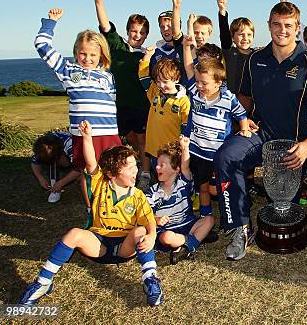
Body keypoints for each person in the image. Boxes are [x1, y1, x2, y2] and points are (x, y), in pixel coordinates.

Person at [213, 1, 307, 261]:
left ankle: (298, 185)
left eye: (288, 25)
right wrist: (242, 119)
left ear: (297, 28)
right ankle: (241, 228)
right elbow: (244, 97)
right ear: (269, 26)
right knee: (225, 158)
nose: (282, 30)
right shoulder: (255, 59)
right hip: (260, 134)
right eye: (276, 24)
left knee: (288, 208)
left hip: (293, 144)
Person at [19, 120, 163, 306]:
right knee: (74, 233)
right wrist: (87, 138)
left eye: (135, 165)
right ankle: (43, 283)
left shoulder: (137, 196)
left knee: (141, 231)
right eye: (129, 167)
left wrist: (152, 235)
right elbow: (90, 162)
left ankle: (150, 279)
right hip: (99, 246)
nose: (135, 170)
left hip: (124, 247)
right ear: (111, 174)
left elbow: (148, 219)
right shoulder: (100, 184)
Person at [36, 8, 122, 210]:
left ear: (101, 54)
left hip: (109, 134)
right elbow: (41, 44)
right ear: (75, 52)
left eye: (93, 54)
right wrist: (51, 22)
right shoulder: (67, 71)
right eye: (82, 53)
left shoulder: (107, 76)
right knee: (87, 173)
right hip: (84, 136)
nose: (87, 58)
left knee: (114, 171)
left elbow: (112, 104)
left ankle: (112, 208)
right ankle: (92, 209)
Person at [182, 37, 250, 219]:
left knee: (217, 187)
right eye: (197, 82)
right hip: (198, 152)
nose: (199, 86)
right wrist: (186, 47)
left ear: (218, 82)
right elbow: (189, 66)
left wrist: (244, 129)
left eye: (204, 83)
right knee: (203, 187)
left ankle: (228, 211)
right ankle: (206, 216)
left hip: (218, 153)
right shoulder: (195, 93)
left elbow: (241, 114)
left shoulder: (228, 97)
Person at [93, 0, 151, 190]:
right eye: (134, 31)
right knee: (123, 141)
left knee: (142, 141)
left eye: (142, 32)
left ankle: (144, 173)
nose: (138, 35)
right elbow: (105, 26)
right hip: (118, 105)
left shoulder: (147, 55)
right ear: (128, 31)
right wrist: (99, 2)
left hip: (141, 105)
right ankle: (119, 174)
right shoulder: (117, 47)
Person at [145, 137, 216, 264]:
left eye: (162, 165)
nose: (157, 167)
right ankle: (192, 241)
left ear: (176, 169)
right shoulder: (152, 192)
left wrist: (185, 148)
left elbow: (185, 167)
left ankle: (187, 246)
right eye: (157, 164)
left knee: (209, 220)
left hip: (188, 224)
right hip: (167, 231)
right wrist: (156, 219)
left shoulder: (183, 183)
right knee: (166, 238)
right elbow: (146, 215)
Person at [138, 53, 190, 177]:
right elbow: (143, 77)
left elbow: (186, 128)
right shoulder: (155, 92)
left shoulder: (184, 101)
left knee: (172, 179)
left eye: (165, 82)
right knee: (159, 177)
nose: (161, 85)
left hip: (171, 153)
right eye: (158, 81)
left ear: (177, 79)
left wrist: (181, 149)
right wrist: (146, 59)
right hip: (154, 150)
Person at [216, 0, 255, 94]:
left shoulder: (257, 55)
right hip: (231, 100)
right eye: (241, 34)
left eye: (249, 34)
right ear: (232, 37)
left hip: (251, 102)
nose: (245, 38)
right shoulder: (230, 52)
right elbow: (224, 34)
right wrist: (222, 10)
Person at [31, 132, 80, 203]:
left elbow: (80, 167)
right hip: (61, 154)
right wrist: (40, 177)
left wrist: (61, 183)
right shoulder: (42, 148)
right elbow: (34, 162)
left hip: (77, 153)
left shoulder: (71, 146)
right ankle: (54, 186)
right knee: (53, 165)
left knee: (80, 176)